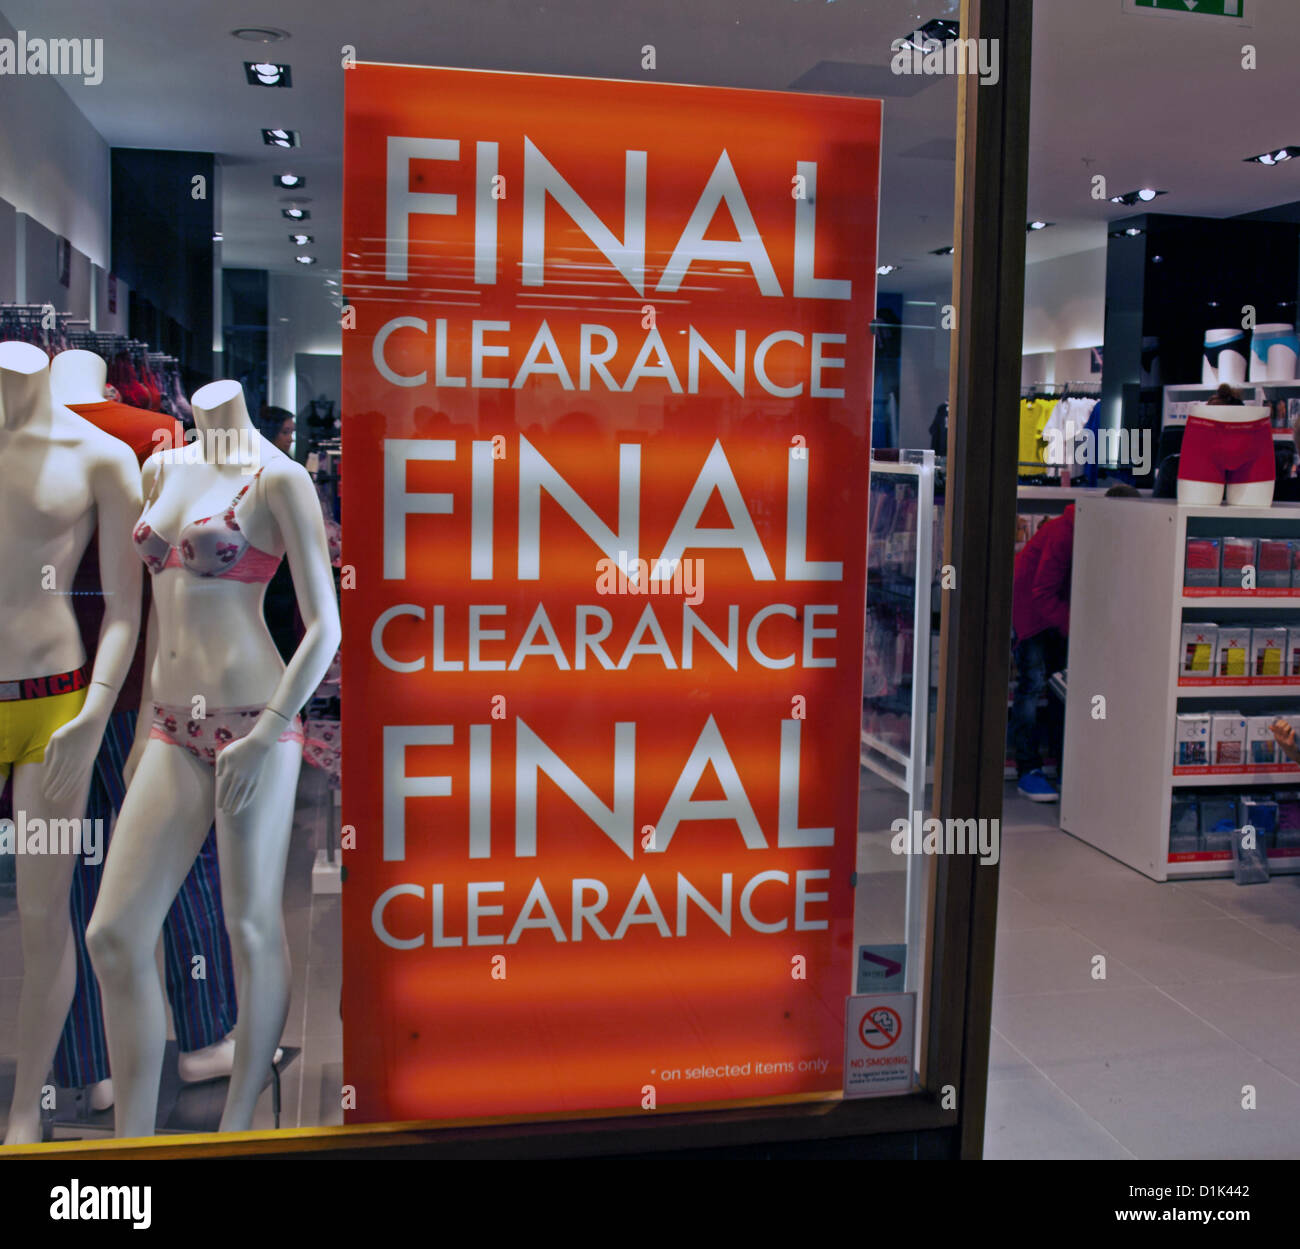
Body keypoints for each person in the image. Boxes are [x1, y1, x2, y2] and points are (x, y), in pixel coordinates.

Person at [1010, 483, 1140, 801]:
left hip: (1061, 612)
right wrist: (1077, 627)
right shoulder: (1063, 533)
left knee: (1062, 688)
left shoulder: (1106, 534)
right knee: (1033, 683)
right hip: (1031, 611)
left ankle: (1066, 766)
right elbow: (1040, 592)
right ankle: (1028, 770)